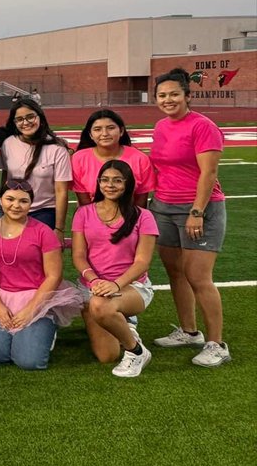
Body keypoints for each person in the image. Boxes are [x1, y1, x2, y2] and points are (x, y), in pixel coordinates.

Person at [148, 68, 229, 366]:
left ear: (187, 96)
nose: (167, 100)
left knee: (198, 277)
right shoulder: (161, 126)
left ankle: (217, 344)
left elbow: (209, 173)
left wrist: (197, 212)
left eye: (174, 94)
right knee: (176, 273)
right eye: (162, 95)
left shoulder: (203, 126)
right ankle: (189, 331)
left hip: (198, 209)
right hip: (163, 207)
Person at [0, 180, 82, 370]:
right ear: (0, 200)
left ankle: (47, 329)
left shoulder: (43, 232)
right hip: (0, 295)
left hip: (36, 296)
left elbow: (54, 276)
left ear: (31, 204)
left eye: (23, 201)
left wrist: (30, 310)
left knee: (29, 361)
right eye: (10, 199)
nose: (16, 205)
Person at [72, 161, 158, 377]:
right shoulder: (83, 213)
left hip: (131, 286)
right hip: (92, 286)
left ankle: (136, 351)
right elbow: (79, 256)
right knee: (107, 355)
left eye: (117, 180)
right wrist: (94, 280)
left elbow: (142, 262)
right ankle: (123, 324)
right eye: (105, 180)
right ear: (98, 182)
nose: (110, 185)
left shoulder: (143, 216)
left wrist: (115, 284)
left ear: (127, 184)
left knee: (100, 305)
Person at [2, 99, 72, 233]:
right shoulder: (8, 143)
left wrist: (59, 228)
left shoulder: (57, 149)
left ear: (40, 117)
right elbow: (6, 178)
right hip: (14, 209)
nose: (25, 123)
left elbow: (61, 191)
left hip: (44, 210)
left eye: (30, 117)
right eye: (19, 119)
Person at [72, 109, 156, 208]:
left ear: (121, 131)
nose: (105, 133)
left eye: (110, 128)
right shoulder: (79, 159)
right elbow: (83, 201)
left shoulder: (140, 159)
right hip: (92, 214)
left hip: (129, 215)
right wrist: (94, 216)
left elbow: (141, 199)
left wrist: (132, 217)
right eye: (97, 129)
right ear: (90, 135)